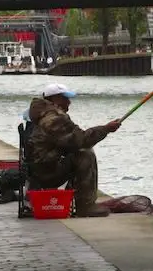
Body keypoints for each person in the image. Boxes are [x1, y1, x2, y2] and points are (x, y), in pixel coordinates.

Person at [27, 83, 122, 217]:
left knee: (80, 151)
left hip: (40, 166)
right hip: (47, 171)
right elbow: (81, 140)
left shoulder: (43, 114)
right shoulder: (53, 119)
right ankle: (85, 206)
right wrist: (106, 129)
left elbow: (70, 140)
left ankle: (82, 201)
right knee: (85, 153)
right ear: (56, 99)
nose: (69, 102)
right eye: (66, 98)